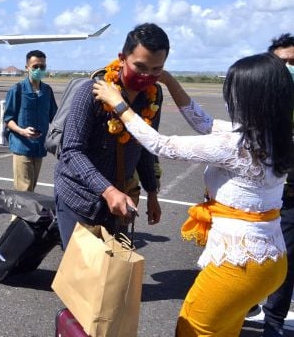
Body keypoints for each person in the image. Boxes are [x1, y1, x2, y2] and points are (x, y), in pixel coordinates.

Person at [93, 52, 294, 336]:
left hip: (240, 263)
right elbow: (204, 123)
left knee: (191, 328)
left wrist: (120, 105)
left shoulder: (236, 145)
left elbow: (162, 145)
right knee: (225, 329)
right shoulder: (273, 136)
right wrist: (169, 79)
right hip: (270, 262)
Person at [54, 23, 165, 246]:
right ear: (122, 58)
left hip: (119, 200)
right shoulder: (91, 92)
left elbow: (145, 147)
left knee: (112, 274)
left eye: (156, 70)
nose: (146, 76)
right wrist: (107, 190)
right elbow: (71, 150)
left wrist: (152, 193)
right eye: (140, 67)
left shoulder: (153, 97)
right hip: (80, 198)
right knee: (84, 275)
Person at [259, 32, 294, 337]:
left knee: (287, 260)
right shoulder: (259, 102)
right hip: (261, 196)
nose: (289, 70)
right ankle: (246, 306)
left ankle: (273, 321)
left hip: (290, 196)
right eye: (284, 63)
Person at [3, 50, 57, 192]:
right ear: (27, 67)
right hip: (22, 146)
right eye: (35, 67)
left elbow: (55, 117)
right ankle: (19, 215)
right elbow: (8, 119)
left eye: (42, 67)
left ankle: (24, 214)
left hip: (39, 147)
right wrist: (22, 131)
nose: (39, 70)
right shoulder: (17, 90)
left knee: (31, 187)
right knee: (24, 189)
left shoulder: (47, 91)